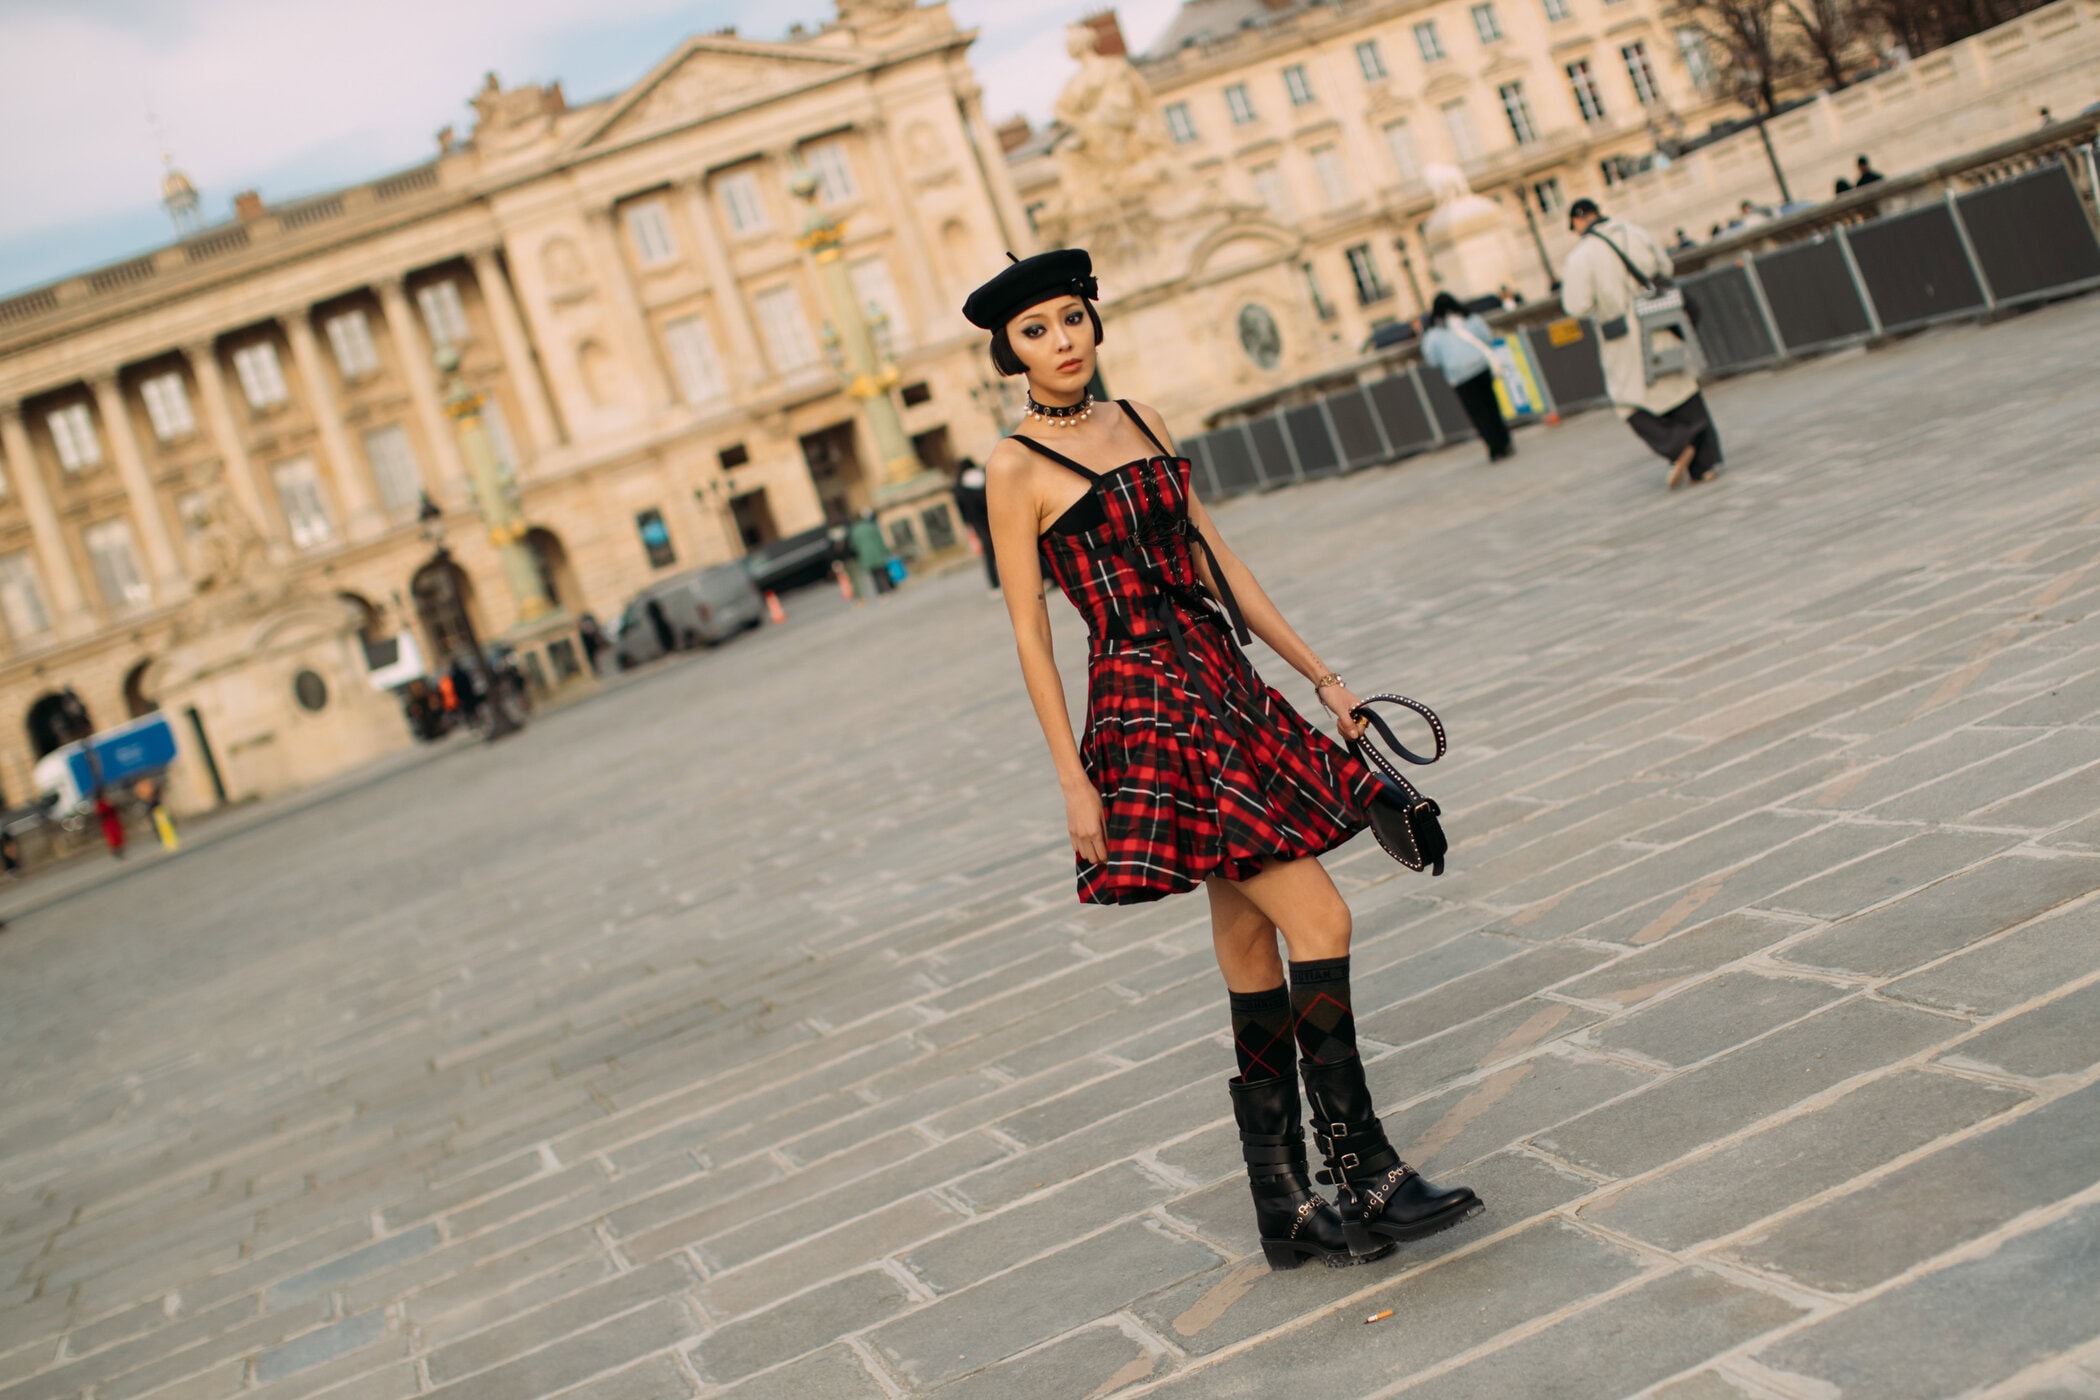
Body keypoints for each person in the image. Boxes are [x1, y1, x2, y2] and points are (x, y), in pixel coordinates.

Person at [967, 248, 1482, 1272]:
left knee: (1251, 943)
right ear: (1008, 352)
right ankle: (1366, 1168)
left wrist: (1325, 677)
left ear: (1096, 323)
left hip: (1224, 682)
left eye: (1072, 318)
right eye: (1036, 330)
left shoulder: (1148, 419)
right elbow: (1029, 631)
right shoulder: (1014, 467)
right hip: (1148, 705)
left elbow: (1222, 562)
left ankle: (1284, 1202)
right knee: (1322, 914)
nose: (1061, 341)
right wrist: (1074, 780)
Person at [1561, 198, 1724, 490]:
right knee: (1680, 385)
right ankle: (1706, 464)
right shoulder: (1632, 231)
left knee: (1628, 401)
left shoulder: (1581, 256)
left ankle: (1677, 443)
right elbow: (1665, 265)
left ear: (1576, 222)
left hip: (1622, 335)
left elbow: (1576, 305)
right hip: (1657, 318)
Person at [1417, 291, 1513, 462]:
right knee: (1491, 406)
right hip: (1481, 367)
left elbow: (1432, 359)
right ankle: (1504, 441)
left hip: (1460, 376)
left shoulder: (1434, 334)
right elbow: (1487, 337)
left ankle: (1494, 447)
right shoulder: (1470, 319)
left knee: (1477, 413)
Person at [951, 458, 999, 593]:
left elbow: (961, 508)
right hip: (993, 517)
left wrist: (967, 523)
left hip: (977, 522)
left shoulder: (958, 487)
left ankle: (994, 585)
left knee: (989, 554)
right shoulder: (983, 476)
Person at [847, 510, 895, 595]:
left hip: (866, 556)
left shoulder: (854, 531)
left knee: (874, 575)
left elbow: (854, 546)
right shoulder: (870, 526)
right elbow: (879, 539)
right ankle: (889, 587)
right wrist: (885, 550)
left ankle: (881, 591)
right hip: (877, 552)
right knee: (883, 571)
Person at [93, 789, 126, 860]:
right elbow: (101, 815)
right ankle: (116, 850)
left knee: (117, 835)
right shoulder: (100, 804)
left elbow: (114, 809)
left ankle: (119, 849)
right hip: (108, 823)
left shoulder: (106, 802)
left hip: (113, 821)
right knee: (112, 836)